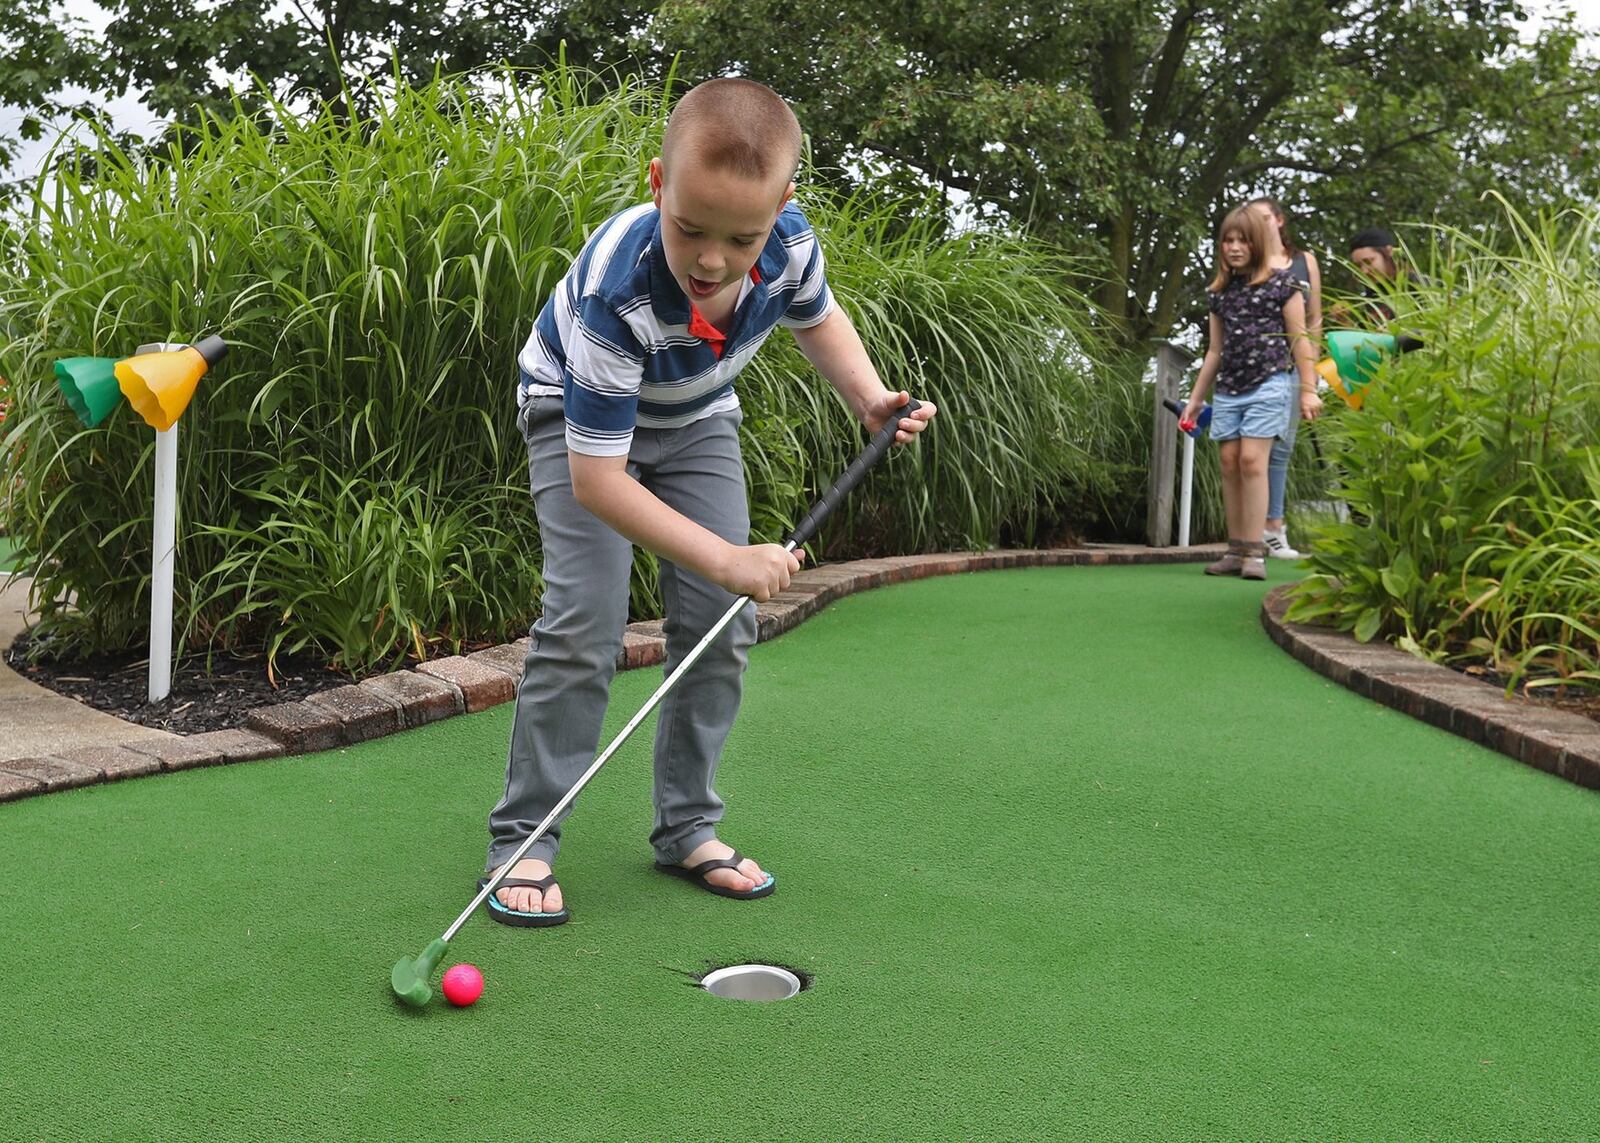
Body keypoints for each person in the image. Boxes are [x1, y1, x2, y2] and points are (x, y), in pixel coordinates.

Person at [484, 78, 937, 926]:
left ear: (783, 208)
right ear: (659, 181)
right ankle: (525, 838)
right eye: (691, 228)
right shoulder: (618, 291)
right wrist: (731, 560)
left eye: (742, 237)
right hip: (574, 424)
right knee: (585, 619)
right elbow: (599, 481)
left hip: (694, 420)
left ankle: (687, 825)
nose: (712, 260)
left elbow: (818, 317)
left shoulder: (789, 247)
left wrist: (869, 397)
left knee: (721, 624)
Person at [1183, 206, 1321, 581]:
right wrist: (1196, 399)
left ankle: (1256, 553)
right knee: (1229, 462)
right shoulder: (1220, 294)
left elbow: (1300, 341)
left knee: (1252, 462)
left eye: (1242, 240)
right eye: (1227, 240)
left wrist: (1308, 391)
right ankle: (1237, 549)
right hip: (1229, 388)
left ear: (1257, 243)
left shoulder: (1282, 285)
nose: (1234, 247)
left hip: (1271, 383)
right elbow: (1214, 351)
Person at [1247, 197, 1322, 560]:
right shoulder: (1249, 262)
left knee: (1284, 446)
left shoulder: (1305, 261)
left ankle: (1274, 529)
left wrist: (1312, 375)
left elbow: (1315, 318)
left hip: (1295, 366)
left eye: (1265, 218)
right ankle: (1249, 532)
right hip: (1257, 367)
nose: (1259, 225)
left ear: (1279, 220)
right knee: (1252, 449)